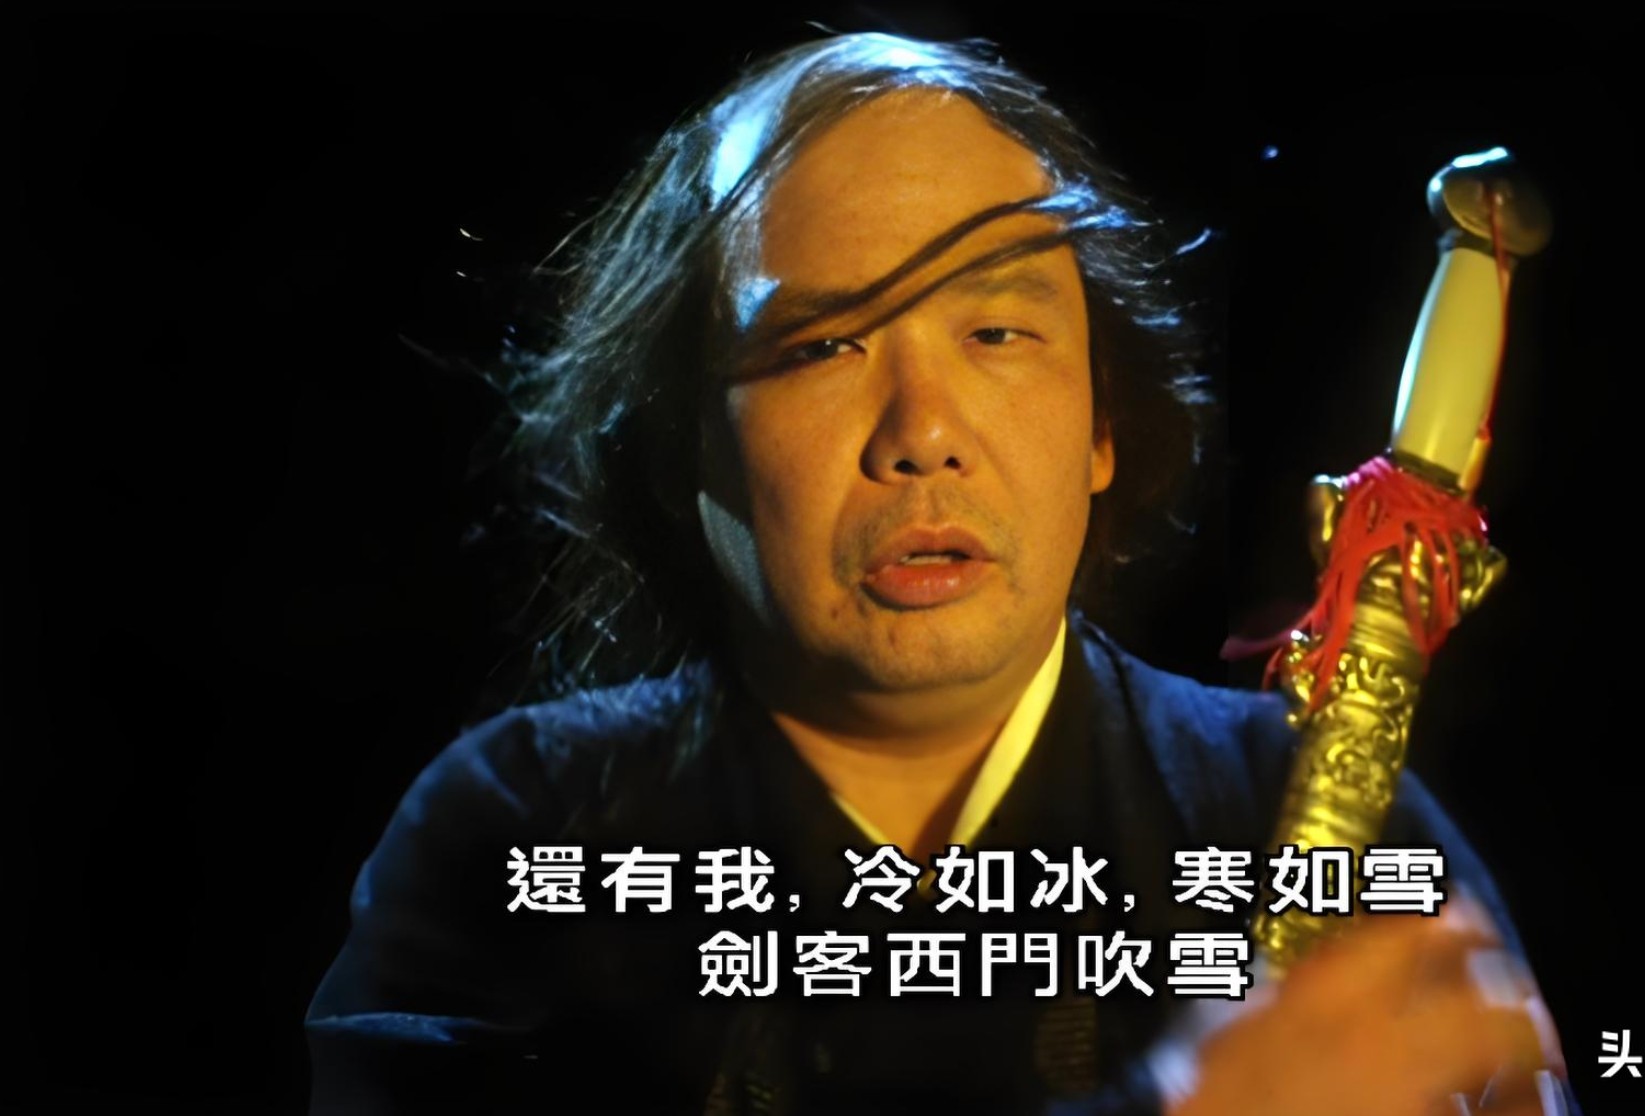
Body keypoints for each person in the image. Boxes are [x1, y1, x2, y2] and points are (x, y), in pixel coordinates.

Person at [306, 32, 1575, 1116]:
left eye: (996, 331)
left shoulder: (1322, 829)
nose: (921, 432)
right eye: (823, 345)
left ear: (1101, 424)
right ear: (686, 447)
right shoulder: (511, 839)